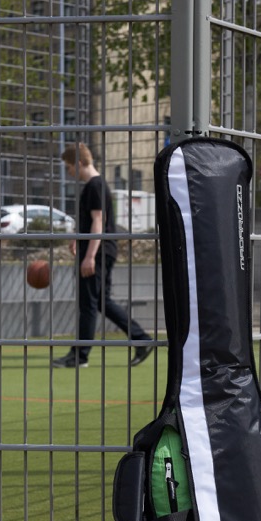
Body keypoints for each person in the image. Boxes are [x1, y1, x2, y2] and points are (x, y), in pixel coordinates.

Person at [53, 142, 154, 369]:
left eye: (69, 167)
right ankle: (141, 339)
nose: (68, 172)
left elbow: (98, 221)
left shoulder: (95, 185)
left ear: (79, 163)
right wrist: (76, 239)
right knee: (101, 301)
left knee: (88, 303)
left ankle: (80, 356)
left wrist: (89, 256)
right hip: (101, 250)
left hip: (97, 252)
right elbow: (91, 220)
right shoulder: (95, 186)